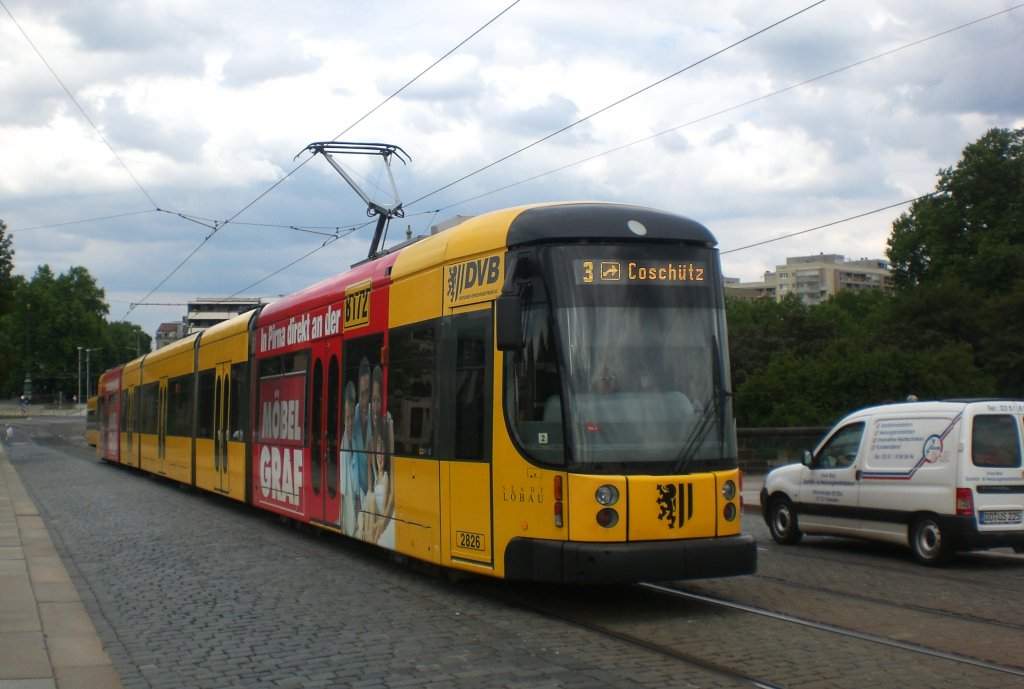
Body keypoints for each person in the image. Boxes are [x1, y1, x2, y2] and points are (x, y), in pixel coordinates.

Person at [339, 382, 361, 537]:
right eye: (347, 417)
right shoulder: (343, 447)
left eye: (352, 416)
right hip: (347, 514)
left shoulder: (355, 443)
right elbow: (343, 493)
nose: (350, 422)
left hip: (355, 512)